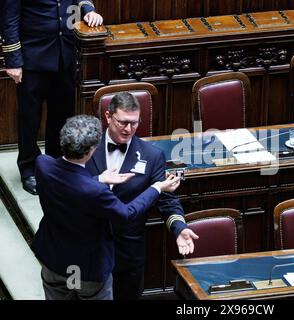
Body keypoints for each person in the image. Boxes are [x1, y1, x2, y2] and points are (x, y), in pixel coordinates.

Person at [32, 115, 183, 300]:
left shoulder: (42, 164)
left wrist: (99, 178)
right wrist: (156, 187)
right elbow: (127, 213)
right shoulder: (95, 191)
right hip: (87, 269)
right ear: (90, 151)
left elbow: (70, 185)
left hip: (52, 259)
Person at [86, 92, 198, 300]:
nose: (128, 129)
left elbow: (166, 199)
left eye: (134, 123)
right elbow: (72, 187)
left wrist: (179, 227)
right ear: (108, 117)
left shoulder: (151, 155)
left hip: (128, 251)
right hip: (87, 246)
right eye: (123, 123)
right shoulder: (87, 148)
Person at [1, 1, 103, 195]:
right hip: (33, 56)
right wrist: (13, 60)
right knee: (29, 118)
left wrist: (88, 10)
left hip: (64, 53)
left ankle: (57, 161)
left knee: (62, 113)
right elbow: (9, 20)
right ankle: (28, 167)